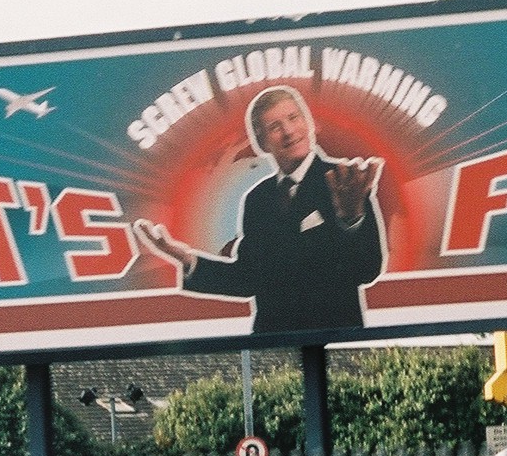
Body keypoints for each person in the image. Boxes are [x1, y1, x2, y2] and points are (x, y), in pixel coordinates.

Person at [134, 85, 386, 334]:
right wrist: (187, 259)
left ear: (308, 122)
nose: (288, 131)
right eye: (275, 127)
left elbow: (367, 270)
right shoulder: (257, 199)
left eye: (293, 118)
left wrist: (352, 219)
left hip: (334, 340)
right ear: (261, 143)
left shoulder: (345, 181)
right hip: (274, 345)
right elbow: (248, 279)